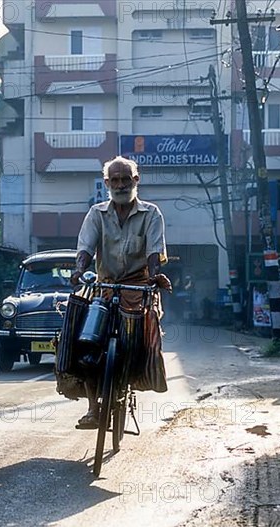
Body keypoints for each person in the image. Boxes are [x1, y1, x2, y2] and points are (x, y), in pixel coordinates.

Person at [70, 156, 172, 428]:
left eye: (126, 179)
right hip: (104, 287)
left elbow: (154, 251)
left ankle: (138, 375)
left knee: (141, 341)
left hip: (138, 287)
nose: (120, 184)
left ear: (135, 180)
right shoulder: (96, 213)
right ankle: (93, 408)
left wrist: (154, 276)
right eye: (114, 179)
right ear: (107, 183)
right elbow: (85, 248)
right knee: (84, 341)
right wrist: (79, 270)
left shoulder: (151, 213)